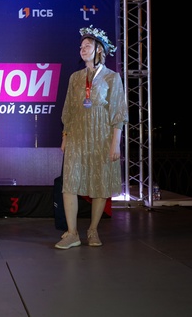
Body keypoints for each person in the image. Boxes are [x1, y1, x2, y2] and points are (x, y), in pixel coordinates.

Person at [55, 25, 129, 249]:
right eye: (81, 46)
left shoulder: (112, 78)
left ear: (99, 50)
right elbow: (68, 109)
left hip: (102, 137)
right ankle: (72, 233)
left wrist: (115, 143)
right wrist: (65, 136)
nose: (82, 49)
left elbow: (118, 112)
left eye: (87, 45)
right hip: (77, 136)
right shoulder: (75, 78)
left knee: (100, 183)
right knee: (69, 183)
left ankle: (93, 230)